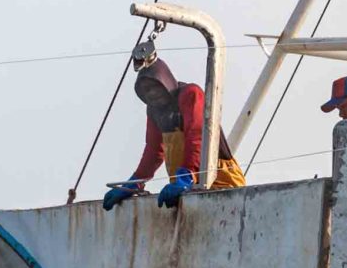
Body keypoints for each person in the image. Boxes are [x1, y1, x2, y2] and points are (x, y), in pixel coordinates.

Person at [103, 58, 245, 211]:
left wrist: (185, 177)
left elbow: (197, 137)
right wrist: (134, 182)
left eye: (154, 87)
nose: (151, 93)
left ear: (165, 81)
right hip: (186, 189)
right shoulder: (154, 111)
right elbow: (154, 150)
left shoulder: (190, 94)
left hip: (221, 182)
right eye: (145, 91)